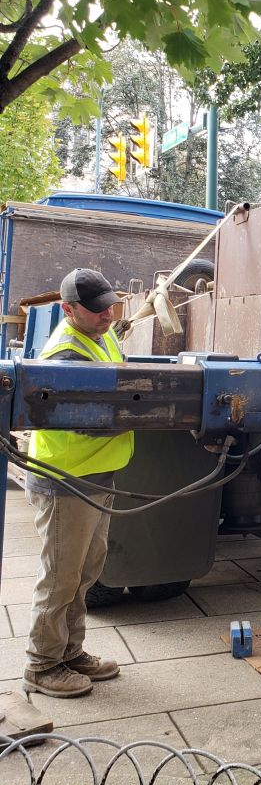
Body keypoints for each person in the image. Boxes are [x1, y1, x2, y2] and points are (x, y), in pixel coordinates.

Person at [23, 269, 134, 698]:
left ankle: (70, 650)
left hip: (94, 475)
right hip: (66, 479)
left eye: (110, 304)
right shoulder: (64, 355)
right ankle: (42, 663)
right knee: (60, 577)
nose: (108, 314)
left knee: (86, 571)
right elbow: (90, 418)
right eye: (97, 309)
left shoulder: (99, 335)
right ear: (68, 310)